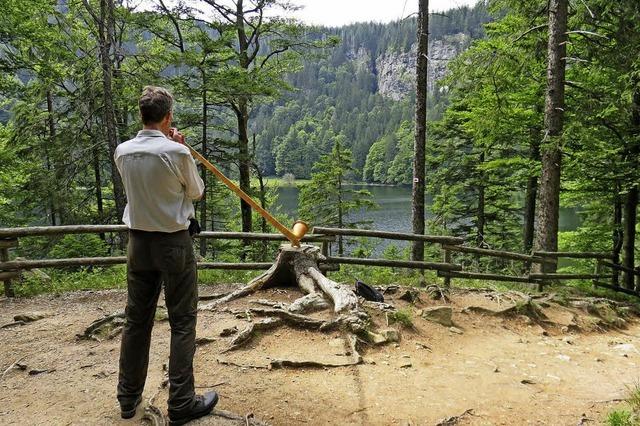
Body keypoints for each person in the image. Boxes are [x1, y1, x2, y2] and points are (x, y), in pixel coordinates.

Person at [114, 86, 217, 425]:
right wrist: (180, 147)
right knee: (183, 322)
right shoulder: (177, 153)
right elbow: (197, 192)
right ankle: (181, 402)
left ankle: (128, 399)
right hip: (173, 243)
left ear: (141, 115)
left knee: (136, 321)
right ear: (168, 116)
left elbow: (141, 188)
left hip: (138, 243)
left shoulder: (123, 152)